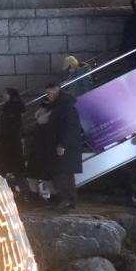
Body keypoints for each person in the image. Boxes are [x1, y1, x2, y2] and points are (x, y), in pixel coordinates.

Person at [44, 83, 83, 211]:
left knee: (60, 174)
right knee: (66, 175)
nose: (48, 96)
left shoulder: (65, 107)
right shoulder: (63, 106)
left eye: (49, 93)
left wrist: (62, 144)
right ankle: (70, 200)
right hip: (66, 146)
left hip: (64, 147)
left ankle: (67, 199)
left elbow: (69, 127)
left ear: (56, 91)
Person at [0, 88, 27, 197]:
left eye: (5, 93)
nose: (3, 95)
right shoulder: (16, 108)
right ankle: (24, 192)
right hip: (12, 142)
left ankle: (2, 192)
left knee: (3, 167)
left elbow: (9, 126)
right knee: (16, 170)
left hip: (8, 142)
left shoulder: (10, 108)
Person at [25, 102, 55, 201]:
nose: (38, 110)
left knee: (43, 176)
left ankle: (36, 197)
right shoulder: (42, 121)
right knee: (40, 176)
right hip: (39, 152)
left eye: (41, 108)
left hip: (41, 152)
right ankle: (50, 197)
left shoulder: (44, 121)